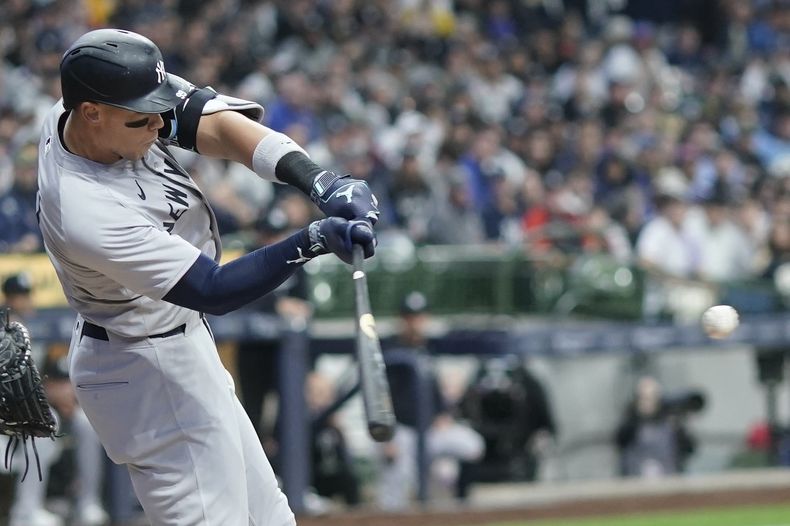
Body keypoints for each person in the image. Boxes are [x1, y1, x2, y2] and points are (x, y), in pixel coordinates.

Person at [37, 29, 378, 526]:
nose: (158, 124)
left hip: (174, 339)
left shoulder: (91, 110)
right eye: (142, 117)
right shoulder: (84, 208)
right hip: (143, 363)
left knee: (269, 518)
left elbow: (213, 125)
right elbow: (213, 289)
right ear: (91, 112)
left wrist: (320, 182)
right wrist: (315, 239)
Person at [376, 291, 484, 510]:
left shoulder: (427, 348)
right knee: (393, 492)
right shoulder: (389, 349)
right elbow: (380, 394)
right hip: (401, 431)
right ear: (402, 319)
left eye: (419, 316)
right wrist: (387, 437)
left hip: (430, 430)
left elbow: (434, 390)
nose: (415, 322)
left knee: (472, 445)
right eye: (410, 317)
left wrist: (443, 414)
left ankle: (461, 504)